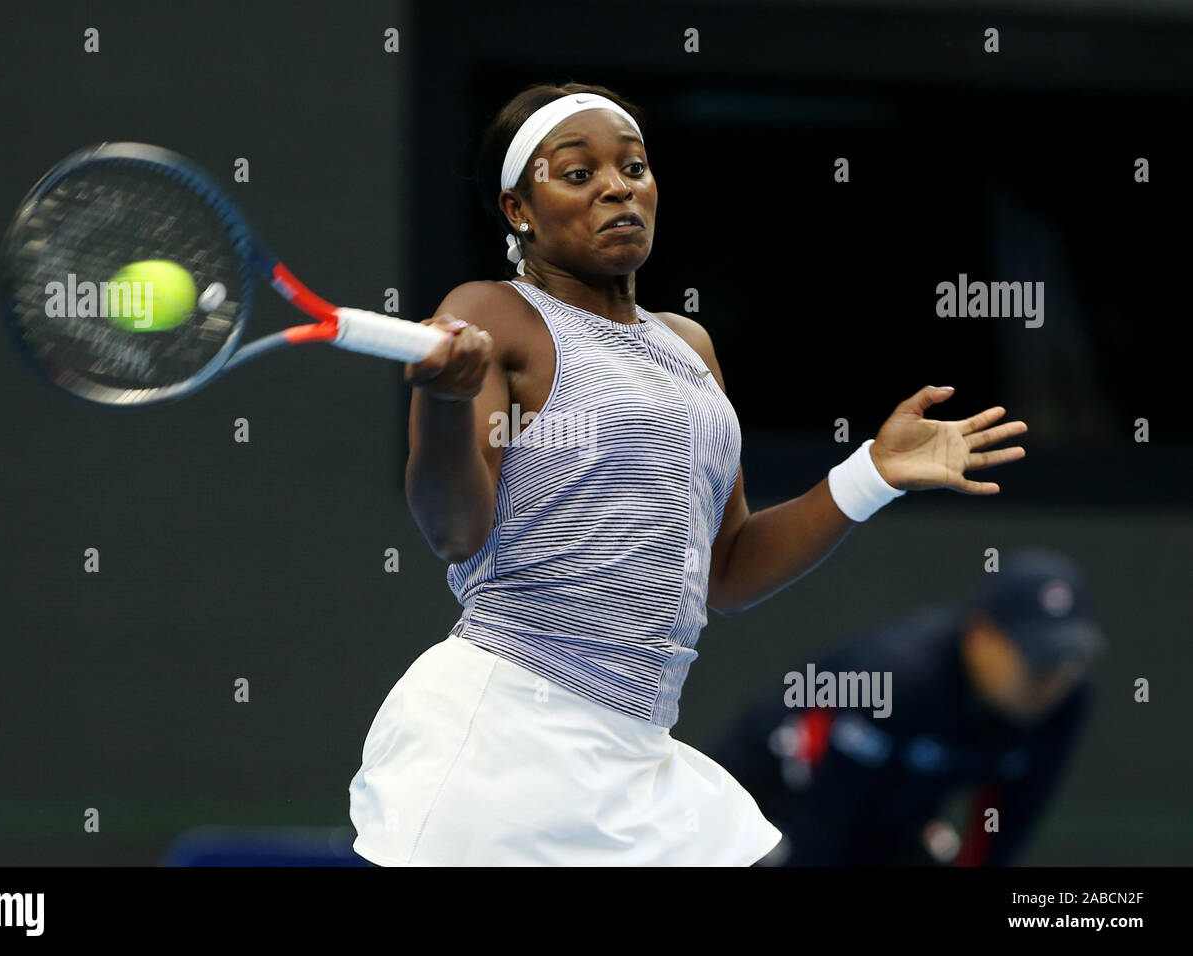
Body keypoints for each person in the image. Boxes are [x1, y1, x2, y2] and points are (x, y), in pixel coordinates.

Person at [347, 81, 1028, 866]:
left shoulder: (688, 349)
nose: (615, 187)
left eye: (633, 167)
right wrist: (443, 399)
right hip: (506, 738)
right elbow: (452, 529)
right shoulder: (495, 313)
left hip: (637, 758)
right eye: (577, 174)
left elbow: (727, 571)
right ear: (517, 211)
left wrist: (870, 473)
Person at [713, 550, 1104, 866]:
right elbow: (824, 823)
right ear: (981, 637)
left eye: (1065, 661)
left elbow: (1005, 831)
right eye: (1037, 660)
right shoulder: (899, 678)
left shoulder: (1063, 703)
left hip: (889, 821)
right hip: (766, 803)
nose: (1052, 679)